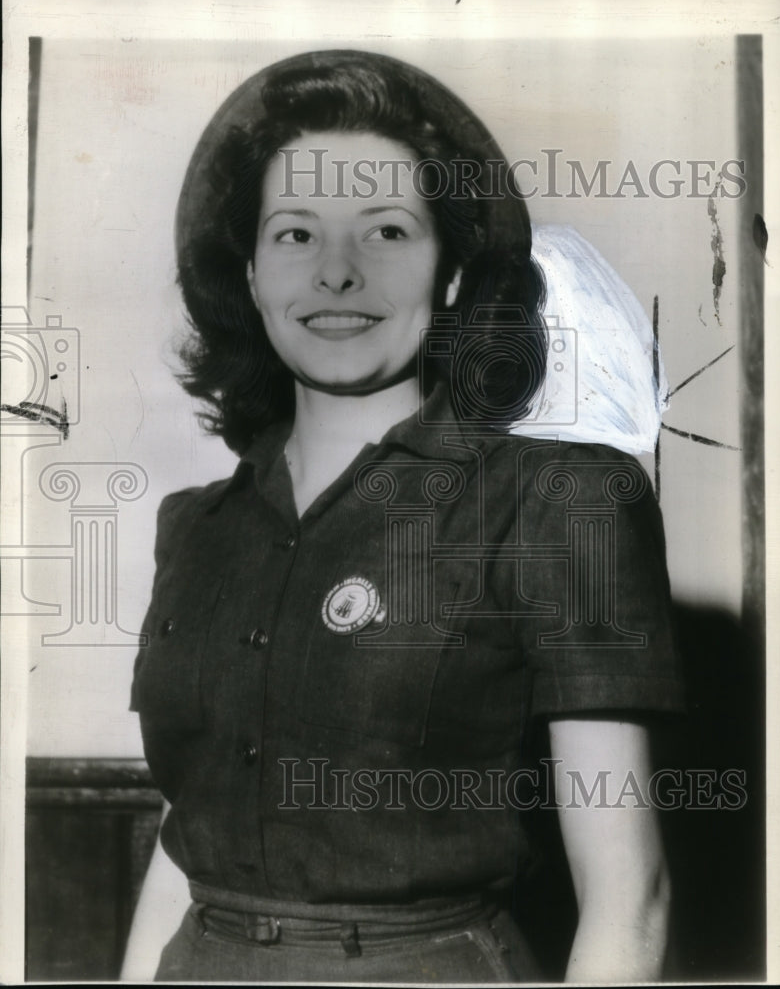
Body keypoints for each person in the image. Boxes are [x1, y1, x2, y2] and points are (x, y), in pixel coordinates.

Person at [122, 50, 684, 983]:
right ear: (252, 275)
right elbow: (190, 840)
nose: (336, 273)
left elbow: (633, 899)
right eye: (295, 235)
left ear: (454, 274)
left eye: (385, 230)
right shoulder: (197, 528)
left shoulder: (560, 501)